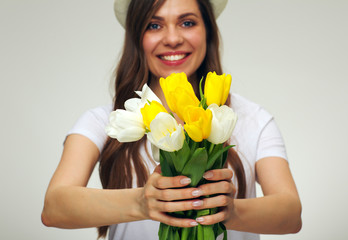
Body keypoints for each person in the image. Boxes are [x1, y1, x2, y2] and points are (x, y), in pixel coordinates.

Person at [41, 0, 302, 239]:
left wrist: (230, 212)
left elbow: (290, 214)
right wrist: (142, 202)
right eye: (154, 25)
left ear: (208, 31)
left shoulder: (251, 118)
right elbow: (54, 207)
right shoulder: (108, 120)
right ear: (137, 37)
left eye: (187, 22)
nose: (173, 38)